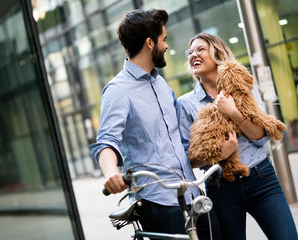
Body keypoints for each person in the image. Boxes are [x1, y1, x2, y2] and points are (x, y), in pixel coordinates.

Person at [89, 9, 223, 240]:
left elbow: (182, 142)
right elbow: (106, 143)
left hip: (191, 193)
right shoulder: (118, 90)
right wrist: (111, 173)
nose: (167, 46)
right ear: (150, 43)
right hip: (157, 200)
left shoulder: (161, 84)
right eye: (164, 40)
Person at [178, 32, 298, 240]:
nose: (193, 55)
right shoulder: (185, 104)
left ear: (217, 53)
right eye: (190, 52)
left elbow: (261, 138)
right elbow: (188, 157)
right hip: (221, 187)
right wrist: (218, 155)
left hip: (262, 179)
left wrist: (233, 113)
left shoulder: (242, 86)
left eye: (200, 50)